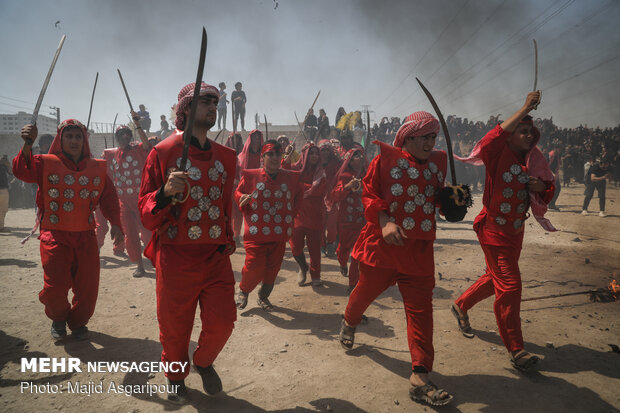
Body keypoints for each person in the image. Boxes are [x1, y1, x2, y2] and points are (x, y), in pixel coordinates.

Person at [339, 111, 453, 407]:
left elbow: (436, 198)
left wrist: (453, 201)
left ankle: (419, 375)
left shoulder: (437, 164)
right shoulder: (385, 160)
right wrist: (385, 220)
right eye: (425, 136)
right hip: (385, 245)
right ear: (409, 136)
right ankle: (349, 321)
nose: (431, 142)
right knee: (364, 293)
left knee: (420, 312)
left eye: (433, 136)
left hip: (418, 252)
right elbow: (369, 193)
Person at [138, 82, 237, 403]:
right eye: (205, 102)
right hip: (176, 255)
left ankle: (204, 361)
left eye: (215, 102)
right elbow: (145, 209)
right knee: (175, 326)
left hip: (215, 255)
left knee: (223, 322)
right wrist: (165, 193)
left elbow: (224, 204)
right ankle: (176, 375)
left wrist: (228, 239)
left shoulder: (226, 157)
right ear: (185, 110)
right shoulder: (163, 153)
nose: (213, 107)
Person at [451, 91, 556, 373]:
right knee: (510, 285)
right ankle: (516, 348)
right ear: (509, 135)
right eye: (522, 131)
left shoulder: (533, 159)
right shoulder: (498, 152)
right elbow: (489, 139)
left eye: (530, 132)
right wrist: (524, 108)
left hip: (516, 231)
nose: (528, 136)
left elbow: (549, 185)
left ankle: (461, 305)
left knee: (495, 278)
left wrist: (541, 188)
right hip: (493, 229)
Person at [13, 119, 123, 340]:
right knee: (55, 287)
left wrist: (117, 224)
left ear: (84, 140)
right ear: (60, 140)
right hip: (54, 235)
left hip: (85, 235)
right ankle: (59, 318)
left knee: (88, 286)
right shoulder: (44, 163)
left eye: (78, 136)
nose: (74, 141)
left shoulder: (96, 168)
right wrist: (28, 143)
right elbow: (21, 171)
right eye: (69, 136)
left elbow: (109, 198)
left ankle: (79, 322)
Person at [234, 139, 302, 311]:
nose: (274, 157)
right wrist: (241, 199)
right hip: (256, 234)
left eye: (277, 154)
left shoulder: (290, 177)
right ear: (262, 157)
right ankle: (244, 290)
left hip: (279, 234)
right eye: (270, 154)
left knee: (273, 268)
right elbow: (238, 192)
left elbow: (298, 196)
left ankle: (263, 297)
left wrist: (289, 216)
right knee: (254, 266)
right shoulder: (251, 176)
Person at [101, 112, 153, 277]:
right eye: (121, 134)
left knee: (147, 232)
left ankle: (154, 259)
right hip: (123, 202)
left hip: (141, 200)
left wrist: (137, 125)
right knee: (130, 235)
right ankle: (139, 265)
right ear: (117, 137)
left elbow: (147, 144)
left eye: (127, 134)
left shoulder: (138, 149)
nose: (125, 136)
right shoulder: (110, 154)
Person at [284, 143, 328, 287]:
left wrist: (298, 187)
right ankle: (303, 267)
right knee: (295, 246)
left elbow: (319, 189)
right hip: (297, 214)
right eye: (311, 153)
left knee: (314, 248)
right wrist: (288, 157)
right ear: (305, 155)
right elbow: (283, 174)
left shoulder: (321, 172)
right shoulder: (296, 169)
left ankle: (315, 275)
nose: (314, 156)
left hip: (314, 215)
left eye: (316, 153)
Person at [328, 148, 365, 291]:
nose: (360, 157)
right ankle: (342, 263)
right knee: (344, 248)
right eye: (356, 156)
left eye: (361, 155)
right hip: (346, 221)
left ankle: (353, 284)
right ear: (350, 160)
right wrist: (348, 187)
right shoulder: (344, 176)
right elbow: (334, 195)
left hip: (362, 221)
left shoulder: (365, 174)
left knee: (358, 253)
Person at [318, 139, 342, 258]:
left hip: (332, 197)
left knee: (332, 224)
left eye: (327, 150)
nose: (325, 153)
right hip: (318, 197)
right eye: (322, 150)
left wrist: (340, 158)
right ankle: (321, 246)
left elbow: (342, 172)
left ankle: (331, 243)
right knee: (320, 223)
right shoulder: (315, 163)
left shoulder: (335, 163)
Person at [547, 143, 562, 210]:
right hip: (550, 174)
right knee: (556, 188)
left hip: (555, 174)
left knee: (556, 188)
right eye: (559, 149)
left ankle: (551, 204)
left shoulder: (557, 155)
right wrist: (551, 173)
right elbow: (547, 165)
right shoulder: (551, 154)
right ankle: (551, 204)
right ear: (556, 148)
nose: (560, 150)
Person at [0, 155, 11, 231]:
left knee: (4, 209)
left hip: (4, 189)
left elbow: (11, 173)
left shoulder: (4, 165)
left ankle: (1, 226)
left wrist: (8, 165)